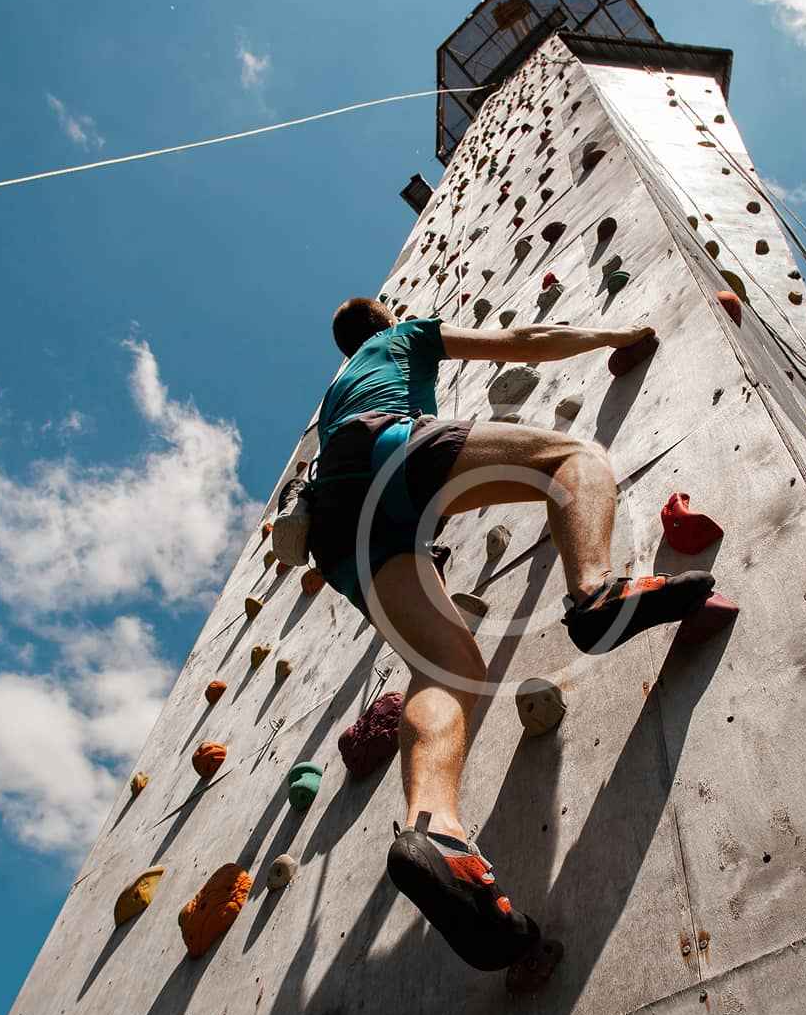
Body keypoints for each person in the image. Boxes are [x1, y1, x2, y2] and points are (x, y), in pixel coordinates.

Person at [274, 298, 717, 973]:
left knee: (445, 667)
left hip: (337, 529)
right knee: (568, 458)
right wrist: (620, 332)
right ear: (385, 315)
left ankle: (437, 833)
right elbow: (526, 337)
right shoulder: (402, 338)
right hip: (386, 449)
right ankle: (595, 592)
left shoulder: (335, 389)